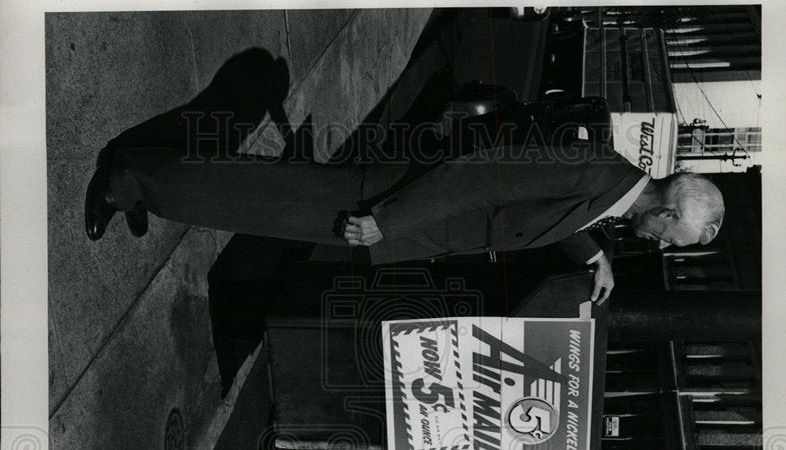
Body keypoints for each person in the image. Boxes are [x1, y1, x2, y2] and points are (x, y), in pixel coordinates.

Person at [85, 127, 724, 304]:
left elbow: (548, 214)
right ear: (667, 213)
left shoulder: (609, 192)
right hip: (384, 200)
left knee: (259, 201)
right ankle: (126, 179)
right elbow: (482, 172)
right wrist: (392, 216)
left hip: (401, 215)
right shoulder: (594, 169)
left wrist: (592, 255)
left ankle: (145, 182)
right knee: (257, 197)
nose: (665, 249)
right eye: (676, 240)